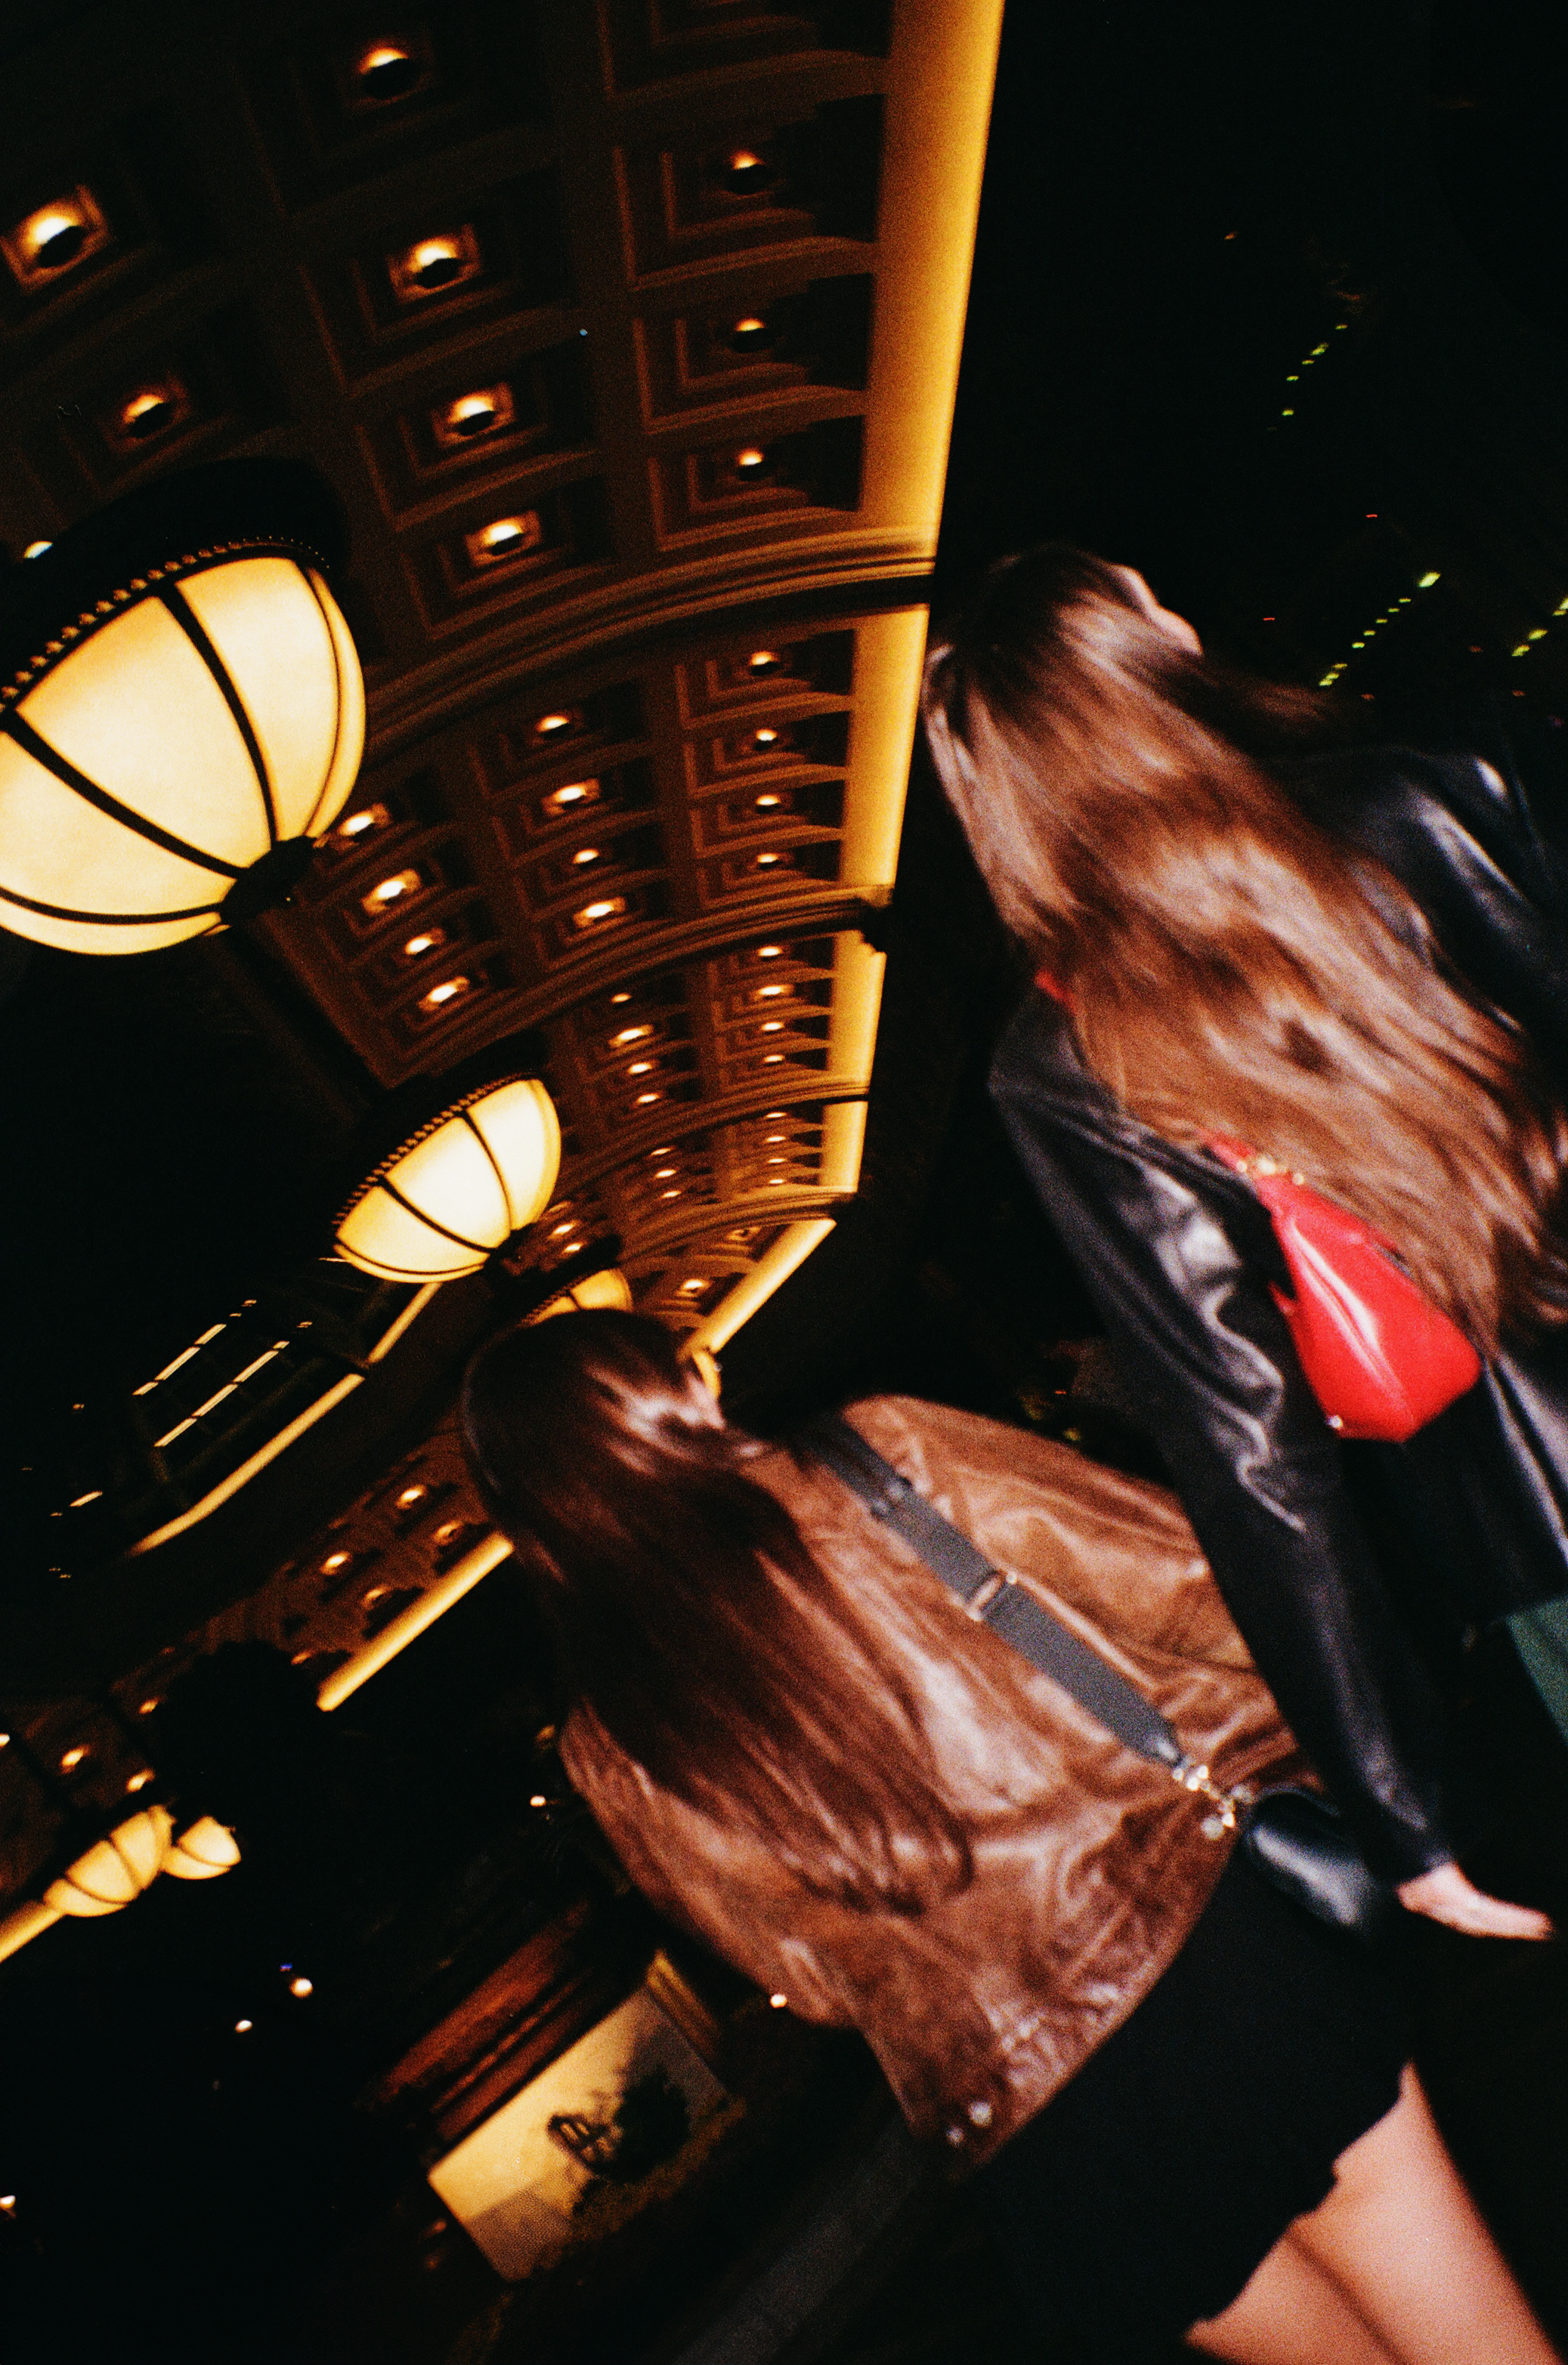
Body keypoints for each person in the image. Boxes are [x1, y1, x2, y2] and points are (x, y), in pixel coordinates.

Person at [462, 1310, 1559, 2364]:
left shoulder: (609, 1749)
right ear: (659, 1401)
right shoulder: (871, 1453)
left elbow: (810, 1979)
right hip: (1214, 1973)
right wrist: (1319, 1746)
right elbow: (1183, 1585)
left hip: (1040, 2133)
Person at [922, 542, 1568, 1940]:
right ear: (1151, 653)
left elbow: (1245, 1445)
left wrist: (1399, 1811)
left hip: (1537, 1522)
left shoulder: (1069, 1055)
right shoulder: (1430, 789)